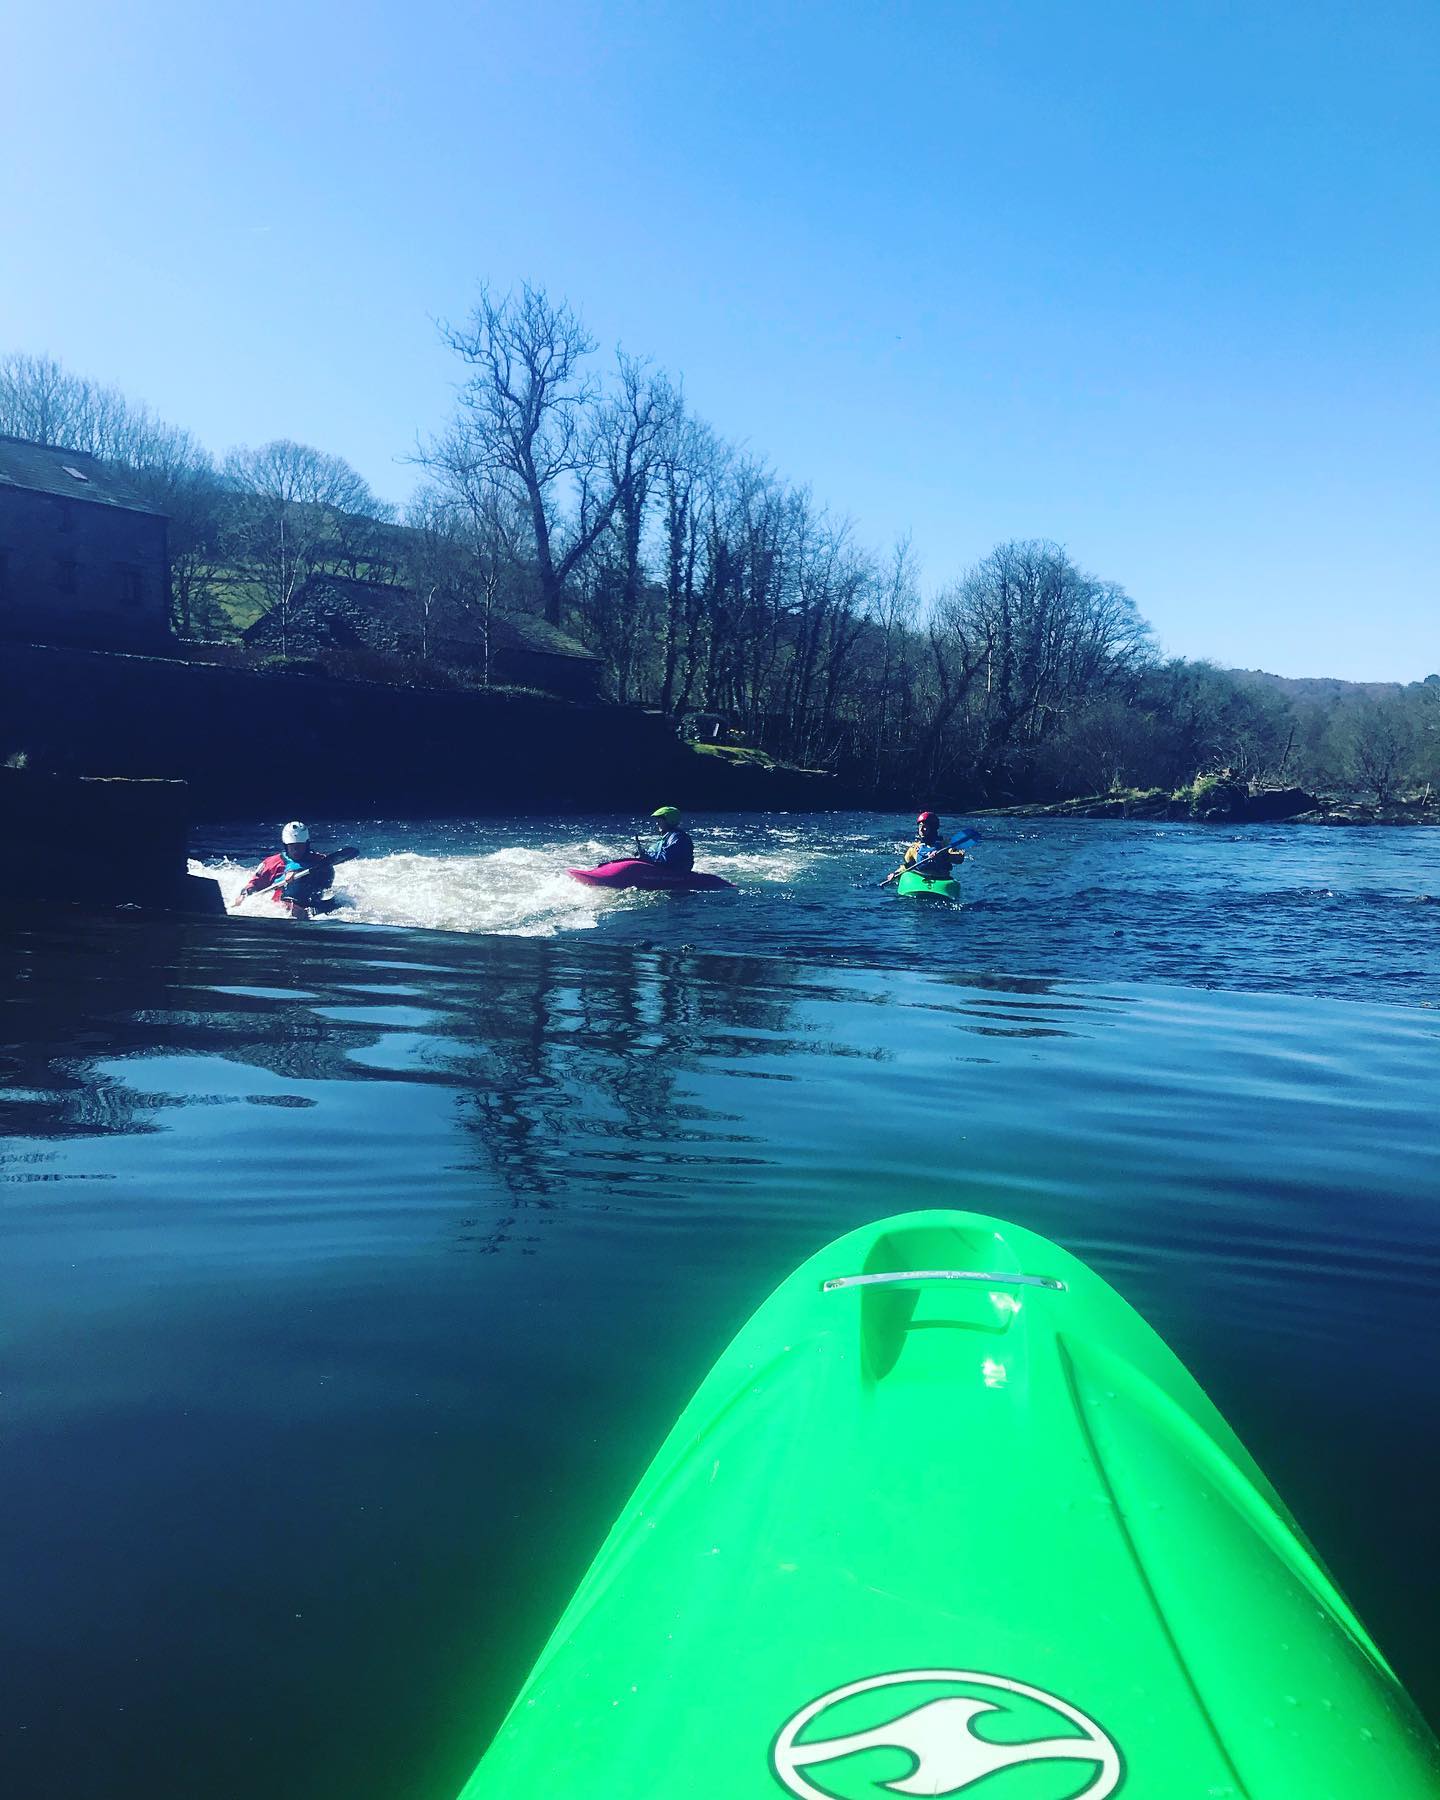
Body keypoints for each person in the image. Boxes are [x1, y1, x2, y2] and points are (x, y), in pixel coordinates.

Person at [234, 821, 340, 918]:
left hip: (310, 904)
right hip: (282, 905)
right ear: (285, 845)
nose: (296, 850)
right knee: (290, 907)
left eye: (300, 846)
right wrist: (244, 894)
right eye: (292, 846)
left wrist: (298, 873)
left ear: (307, 845)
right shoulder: (271, 863)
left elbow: (327, 883)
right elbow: (254, 884)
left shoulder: (320, 861)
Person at [883, 810, 965, 885]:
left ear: (933, 828)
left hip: (942, 880)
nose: (921, 829)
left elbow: (959, 859)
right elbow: (907, 866)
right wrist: (895, 874)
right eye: (920, 826)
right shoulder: (914, 848)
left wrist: (942, 855)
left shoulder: (946, 845)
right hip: (920, 879)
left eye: (925, 826)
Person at [633, 805, 694, 874]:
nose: (657, 823)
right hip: (664, 871)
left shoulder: (678, 837)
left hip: (675, 874)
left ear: (670, 821)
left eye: (659, 821)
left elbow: (667, 859)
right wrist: (642, 854)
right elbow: (658, 855)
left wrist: (646, 856)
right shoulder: (666, 837)